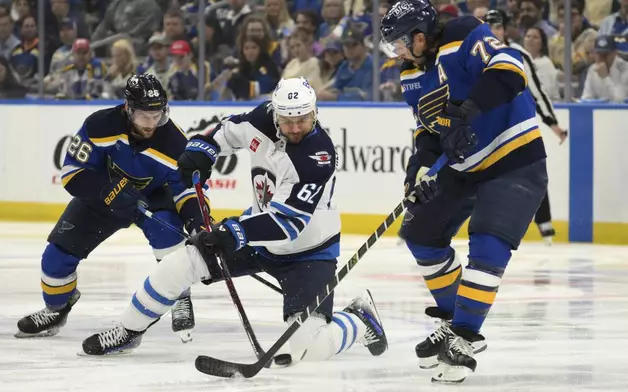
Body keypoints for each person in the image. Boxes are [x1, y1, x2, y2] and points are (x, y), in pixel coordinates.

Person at [80, 78, 388, 365]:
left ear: (315, 113)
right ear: (275, 114)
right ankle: (128, 331)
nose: (295, 128)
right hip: (256, 237)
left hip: (309, 254)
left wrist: (233, 233)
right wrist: (202, 150)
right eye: (287, 120)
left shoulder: (317, 156)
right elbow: (226, 131)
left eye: (303, 119)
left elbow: (287, 224)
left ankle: (360, 319)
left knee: (309, 348)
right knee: (179, 264)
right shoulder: (263, 119)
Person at [381, 0, 548, 383]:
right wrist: (417, 172)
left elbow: (510, 70)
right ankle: (458, 318)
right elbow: (427, 132)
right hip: (464, 168)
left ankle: (464, 334)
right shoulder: (411, 75)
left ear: (420, 37)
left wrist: (467, 110)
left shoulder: (461, 33)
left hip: (514, 160)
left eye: (400, 44)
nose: (397, 53)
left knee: (488, 241)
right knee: (421, 232)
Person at [15, 74, 202, 343]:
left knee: (170, 240)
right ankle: (56, 308)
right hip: (103, 199)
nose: (152, 123)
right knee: (55, 259)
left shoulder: (174, 142)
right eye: (144, 116)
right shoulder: (100, 125)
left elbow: (185, 189)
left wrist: (196, 220)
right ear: (128, 109)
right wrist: (107, 192)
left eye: (157, 115)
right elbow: (71, 172)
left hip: (151, 200)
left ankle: (181, 296)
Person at [485, 9, 567, 244]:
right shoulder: (474, 54)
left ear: (506, 29)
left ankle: (545, 224)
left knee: (531, 170)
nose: (494, 31)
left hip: (517, 125)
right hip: (487, 126)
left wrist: (553, 123)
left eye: (498, 26)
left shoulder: (517, 54)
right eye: (490, 26)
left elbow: (537, 93)